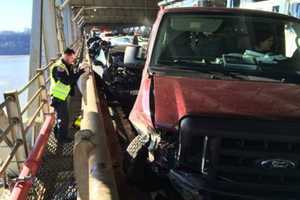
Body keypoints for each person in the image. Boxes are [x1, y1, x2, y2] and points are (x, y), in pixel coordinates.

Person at [50, 48, 86, 143]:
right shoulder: (59, 67)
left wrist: (74, 68)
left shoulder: (66, 65)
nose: (73, 60)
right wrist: (79, 73)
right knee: (63, 118)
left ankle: (58, 134)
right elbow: (66, 81)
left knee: (61, 117)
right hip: (58, 96)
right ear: (66, 56)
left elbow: (70, 77)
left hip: (62, 95)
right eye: (72, 58)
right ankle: (61, 139)